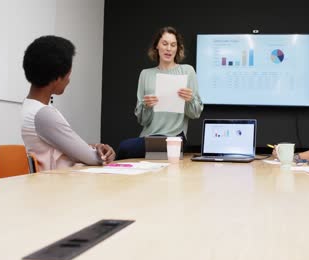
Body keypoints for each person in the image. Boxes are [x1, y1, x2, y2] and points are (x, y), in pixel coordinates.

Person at [21, 35, 115, 171]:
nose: (69, 81)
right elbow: (93, 159)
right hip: (60, 183)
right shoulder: (43, 114)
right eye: (68, 75)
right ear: (57, 77)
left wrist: (95, 147)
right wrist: (101, 154)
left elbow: (64, 147)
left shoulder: (31, 106)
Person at [117, 26, 203, 159]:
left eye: (173, 45)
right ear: (157, 46)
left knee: (124, 147)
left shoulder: (187, 71)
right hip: (149, 137)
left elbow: (195, 113)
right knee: (126, 149)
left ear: (177, 49)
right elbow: (142, 120)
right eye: (165, 43)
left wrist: (189, 99)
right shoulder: (145, 74)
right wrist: (147, 106)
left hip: (175, 138)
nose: (169, 48)